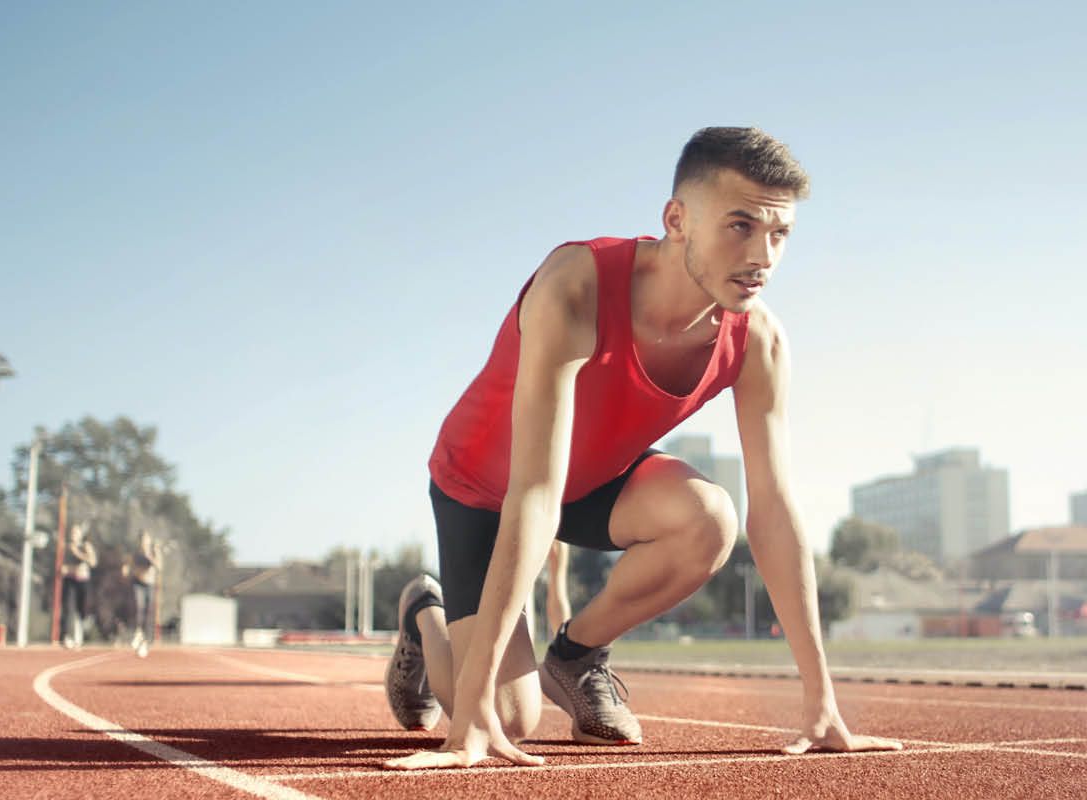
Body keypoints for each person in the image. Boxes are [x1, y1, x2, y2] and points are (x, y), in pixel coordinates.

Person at [384, 127, 903, 770]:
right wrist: (470, 715)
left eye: (780, 234)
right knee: (509, 716)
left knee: (711, 519)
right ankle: (425, 616)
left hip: (591, 481)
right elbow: (534, 489)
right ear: (677, 219)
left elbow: (773, 507)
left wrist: (822, 702)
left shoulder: (758, 340)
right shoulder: (576, 286)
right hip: (484, 488)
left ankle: (574, 657)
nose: (763, 255)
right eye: (740, 226)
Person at [123, 529, 162, 657]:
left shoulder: (153, 552)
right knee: (138, 606)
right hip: (137, 583)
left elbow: (159, 567)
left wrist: (151, 555)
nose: (144, 542)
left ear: (149, 541)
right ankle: (137, 632)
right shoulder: (136, 554)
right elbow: (129, 565)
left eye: (146, 540)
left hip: (149, 585)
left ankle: (145, 639)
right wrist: (126, 569)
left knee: (148, 612)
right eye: (142, 540)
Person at [61, 522, 98, 649]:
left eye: (76, 532)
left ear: (80, 535)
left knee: (81, 610)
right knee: (68, 608)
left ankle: (79, 636)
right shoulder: (66, 547)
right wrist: (64, 569)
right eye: (71, 532)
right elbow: (62, 565)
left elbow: (93, 562)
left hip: (83, 581)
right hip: (69, 580)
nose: (73, 535)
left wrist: (77, 553)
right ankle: (67, 636)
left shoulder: (86, 546)